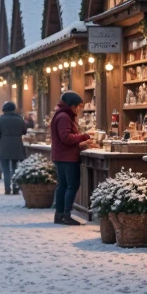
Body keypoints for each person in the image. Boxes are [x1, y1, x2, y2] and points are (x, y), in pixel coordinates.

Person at [50, 91, 91, 225]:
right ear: (72, 106)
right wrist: (85, 136)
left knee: (63, 186)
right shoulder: (64, 117)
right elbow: (66, 137)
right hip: (67, 158)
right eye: (79, 106)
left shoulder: (61, 115)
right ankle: (66, 215)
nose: (80, 109)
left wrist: (79, 144)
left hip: (62, 156)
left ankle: (59, 215)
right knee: (71, 185)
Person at [0, 101, 26, 195]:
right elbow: (24, 131)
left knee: (5, 169)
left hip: (4, 145)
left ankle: (7, 189)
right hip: (17, 144)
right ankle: (15, 188)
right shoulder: (19, 119)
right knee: (15, 168)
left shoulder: (0, 119)